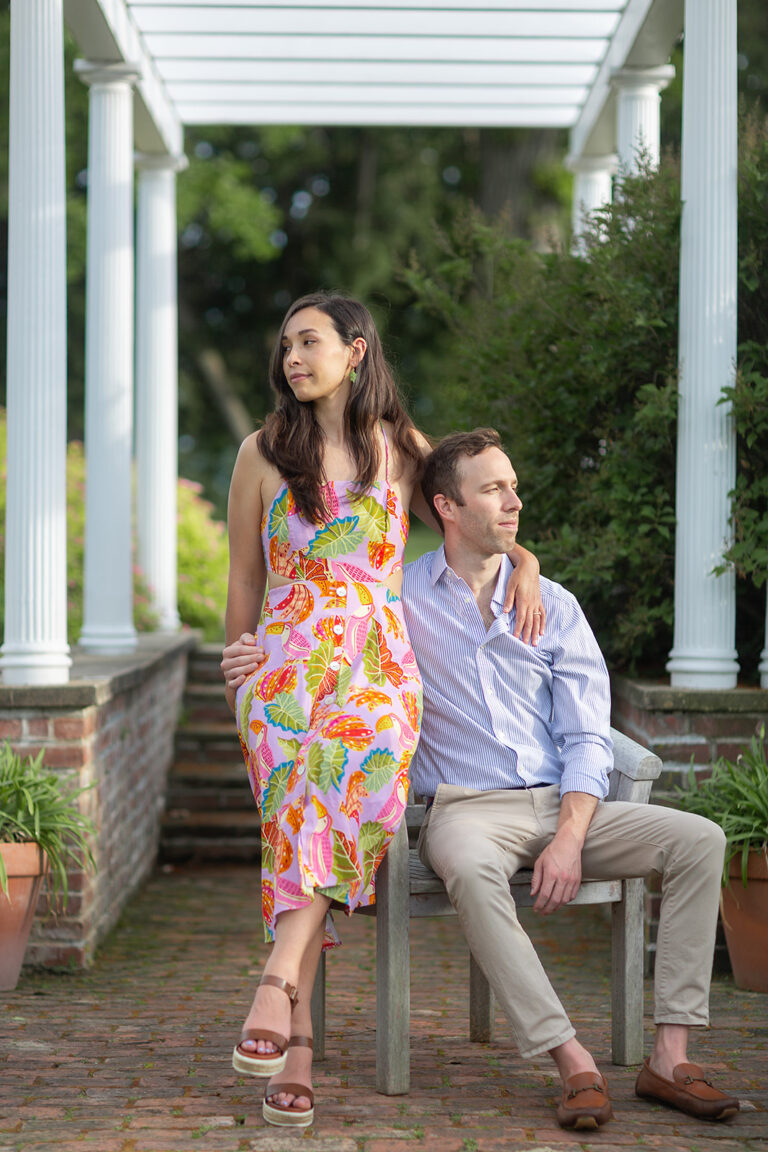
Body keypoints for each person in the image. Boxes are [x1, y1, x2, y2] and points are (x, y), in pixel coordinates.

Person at [220, 297, 543, 1129]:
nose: (293, 358)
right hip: (283, 668)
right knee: (298, 813)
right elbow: (245, 579)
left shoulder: (403, 447)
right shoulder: (261, 451)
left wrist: (528, 563)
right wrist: (236, 675)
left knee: (344, 772)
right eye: (286, 345)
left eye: (310, 341)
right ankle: (294, 1049)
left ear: (356, 351)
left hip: (375, 664)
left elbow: (475, 517)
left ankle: (279, 981)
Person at [401, 427, 741, 1131]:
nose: (514, 502)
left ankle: (670, 1057)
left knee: (700, 840)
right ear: (446, 507)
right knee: (470, 868)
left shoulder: (552, 602)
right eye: (494, 489)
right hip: (465, 810)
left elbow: (587, 735)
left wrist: (570, 835)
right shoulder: (399, 599)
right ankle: (572, 1059)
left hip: (566, 802)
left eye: (514, 487)